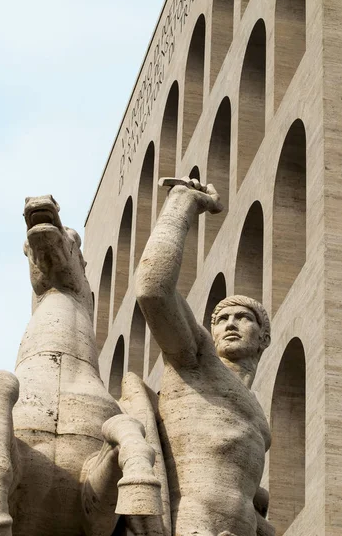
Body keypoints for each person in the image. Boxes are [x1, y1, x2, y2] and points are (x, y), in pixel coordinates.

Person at [135, 177, 272, 536]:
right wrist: (184, 203)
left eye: (243, 317)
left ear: (264, 337)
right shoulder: (196, 364)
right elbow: (152, 290)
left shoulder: (260, 419)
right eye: (220, 319)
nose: (229, 324)